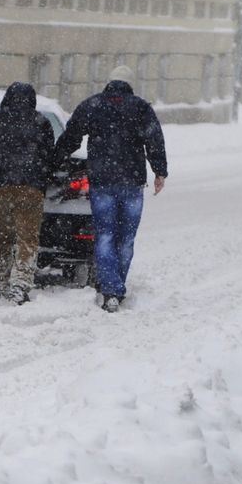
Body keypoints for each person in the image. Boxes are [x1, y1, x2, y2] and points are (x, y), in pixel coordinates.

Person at [54, 65, 168, 313]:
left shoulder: (92, 105)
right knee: (126, 239)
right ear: (130, 83)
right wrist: (160, 171)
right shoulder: (140, 107)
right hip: (132, 183)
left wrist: (52, 160)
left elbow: (72, 136)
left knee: (104, 235)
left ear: (109, 82)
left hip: (102, 182)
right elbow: (154, 139)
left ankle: (110, 289)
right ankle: (116, 287)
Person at [0, 82, 57, 305]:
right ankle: (21, 283)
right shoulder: (41, 122)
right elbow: (49, 156)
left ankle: (2, 279)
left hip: (1, 187)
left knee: (4, 234)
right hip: (30, 187)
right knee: (27, 236)